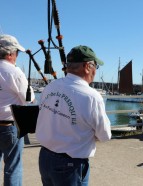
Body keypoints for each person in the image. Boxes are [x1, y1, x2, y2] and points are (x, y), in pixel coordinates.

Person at [35, 45, 112, 186]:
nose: (95, 71)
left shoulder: (50, 87)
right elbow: (105, 135)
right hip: (70, 165)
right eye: (96, 67)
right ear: (87, 66)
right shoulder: (92, 96)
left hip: (45, 157)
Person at [0, 34, 35, 185]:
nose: (17, 56)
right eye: (17, 53)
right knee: (13, 167)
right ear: (10, 54)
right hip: (9, 125)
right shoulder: (14, 72)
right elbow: (29, 98)